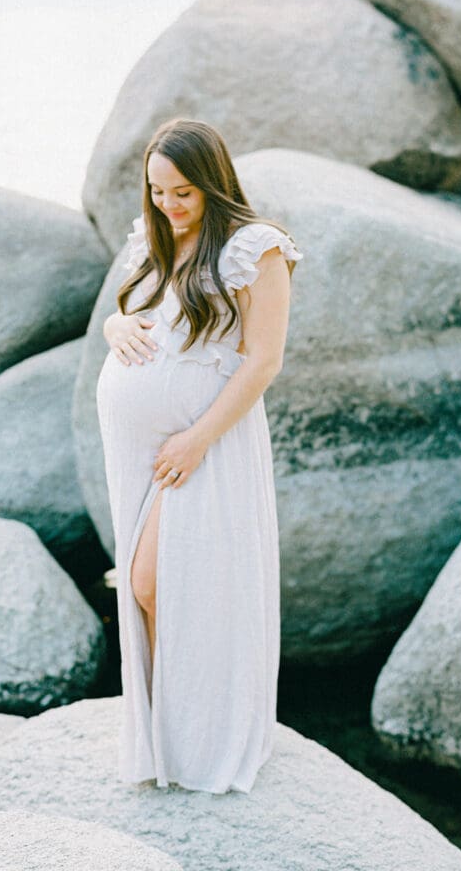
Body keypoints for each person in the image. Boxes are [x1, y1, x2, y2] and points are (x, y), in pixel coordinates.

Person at [95, 117, 302, 794]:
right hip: (143, 448)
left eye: (182, 193)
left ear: (212, 181)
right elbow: (125, 316)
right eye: (157, 192)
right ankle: (168, 733)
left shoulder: (254, 248)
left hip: (206, 441)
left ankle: (205, 727)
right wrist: (116, 323)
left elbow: (264, 359)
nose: (169, 206)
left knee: (162, 582)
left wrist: (198, 437)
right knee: (148, 583)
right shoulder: (155, 241)